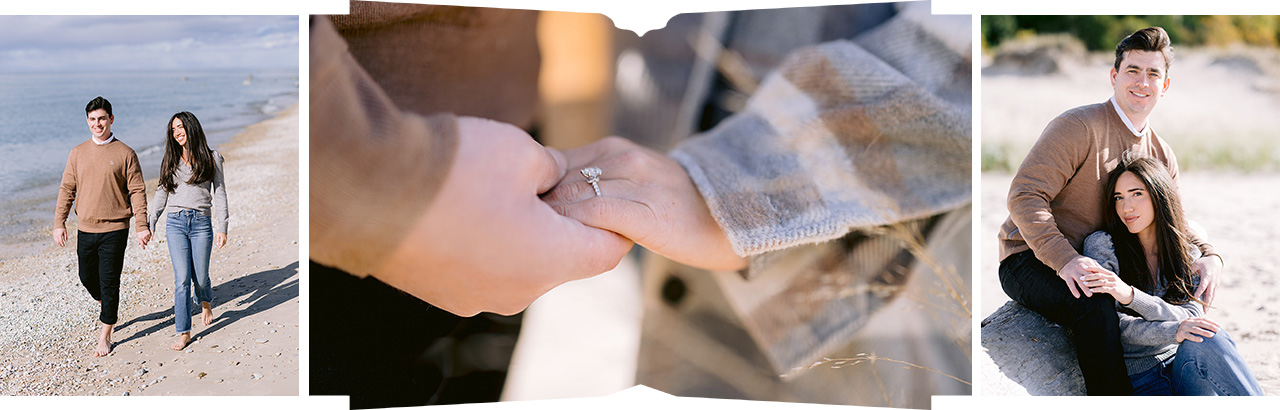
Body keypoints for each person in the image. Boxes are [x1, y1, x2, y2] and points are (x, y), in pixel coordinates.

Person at [997, 26, 1224, 395]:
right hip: (1032, 259)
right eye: (1133, 70)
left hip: (1108, 261)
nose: (1142, 81)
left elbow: (1175, 221)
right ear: (1115, 76)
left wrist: (1212, 256)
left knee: (1190, 274)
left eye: (1153, 73)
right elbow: (1025, 195)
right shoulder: (1078, 126)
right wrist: (1065, 260)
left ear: (1165, 86)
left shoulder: (1162, 153)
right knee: (1095, 303)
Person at [1081, 155, 1261, 395]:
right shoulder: (1103, 246)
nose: (1127, 207)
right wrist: (1174, 331)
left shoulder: (1187, 253)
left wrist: (1130, 296)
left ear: (1159, 195)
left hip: (1184, 368)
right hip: (1140, 380)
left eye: (1137, 194)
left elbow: (1191, 316)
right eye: (1119, 197)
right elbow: (1110, 324)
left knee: (1208, 335)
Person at [54, 96, 151, 357]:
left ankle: (105, 333)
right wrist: (59, 223)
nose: (98, 124)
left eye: (102, 118)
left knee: (110, 280)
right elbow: (67, 189)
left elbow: (138, 191)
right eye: (93, 119)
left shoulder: (126, 153)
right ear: (87, 122)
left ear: (111, 119)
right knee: (87, 278)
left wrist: (142, 225)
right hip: (86, 227)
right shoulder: (77, 153)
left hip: (116, 228)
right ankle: (107, 305)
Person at [148, 111, 229, 351]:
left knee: (201, 276)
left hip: (201, 222)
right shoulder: (170, 160)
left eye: (181, 127)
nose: (177, 133)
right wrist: (151, 222)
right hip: (175, 223)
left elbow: (221, 193)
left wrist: (222, 226)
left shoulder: (213, 158)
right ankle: (183, 331)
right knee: (182, 279)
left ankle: (205, 301)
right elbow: (162, 192)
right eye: (173, 129)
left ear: (192, 127)